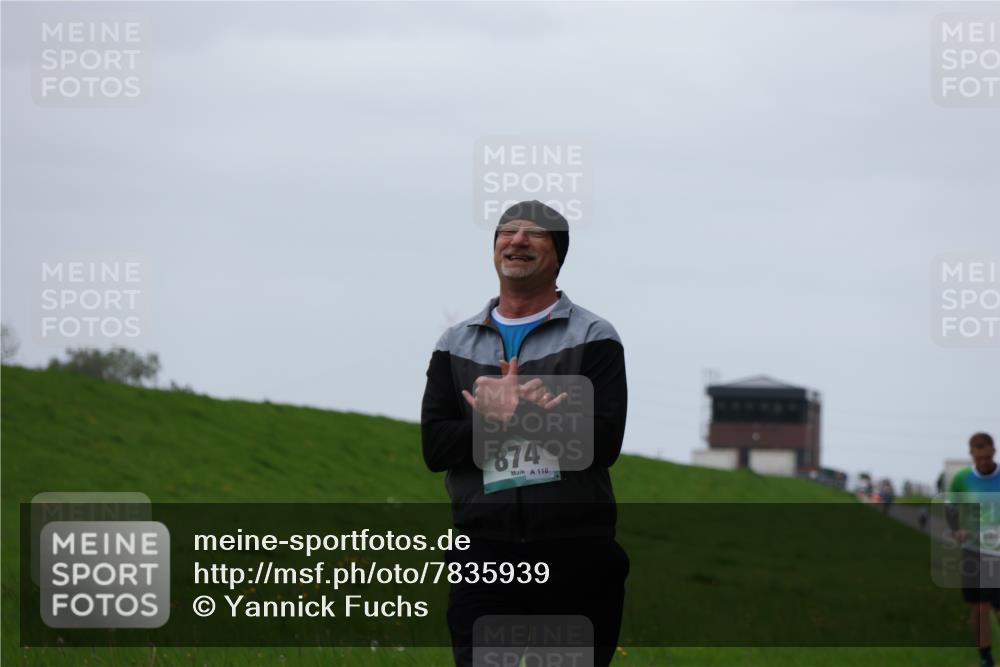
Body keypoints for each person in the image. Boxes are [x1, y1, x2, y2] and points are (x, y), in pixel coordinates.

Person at [420, 200, 629, 667]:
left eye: (533, 233)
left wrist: (514, 416)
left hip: (576, 553)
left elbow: (601, 443)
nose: (516, 241)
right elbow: (435, 447)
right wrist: (496, 421)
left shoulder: (595, 336)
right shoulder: (455, 344)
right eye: (506, 232)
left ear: (558, 253)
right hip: (483, 554)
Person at [948, 432, 1000, 667]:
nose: (983, 463)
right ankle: (986, 658)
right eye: (978, 459)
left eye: (987, 457)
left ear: (994, 452)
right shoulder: (961, 479)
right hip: (973, 550)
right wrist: (956, 529)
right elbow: (951, 507)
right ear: (971, 456)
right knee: (979, 609)